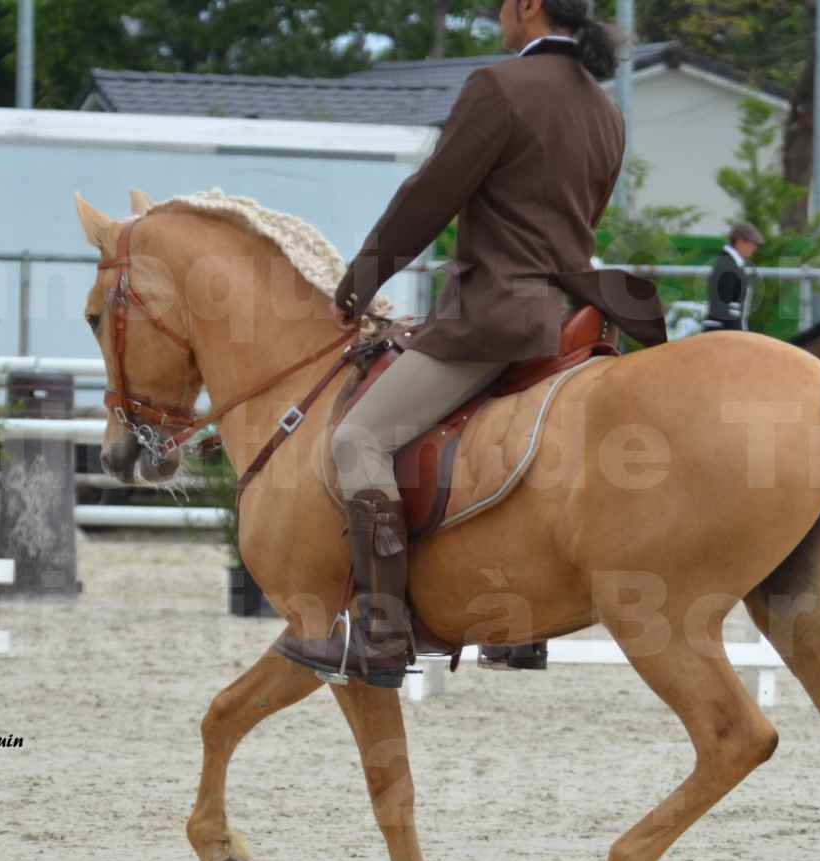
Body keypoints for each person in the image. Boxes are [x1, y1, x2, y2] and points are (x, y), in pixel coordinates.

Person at [278, 0, 667, 688]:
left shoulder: (499, 88)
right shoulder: (607, 112)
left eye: (500, 8)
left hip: (498, 315)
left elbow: (428, 198)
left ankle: (380, 633)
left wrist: (356, 286)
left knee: (358, 441)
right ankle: (518, 624)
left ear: (527, 8)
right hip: (572, 318)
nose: (497, 19)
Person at [702, 222, 763, 332]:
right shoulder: (728, 266)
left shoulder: (731, 264)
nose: (754, 248)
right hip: (723, 331)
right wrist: (738, 335)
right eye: (752, 243)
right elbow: (725, 308)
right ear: (739, 241)